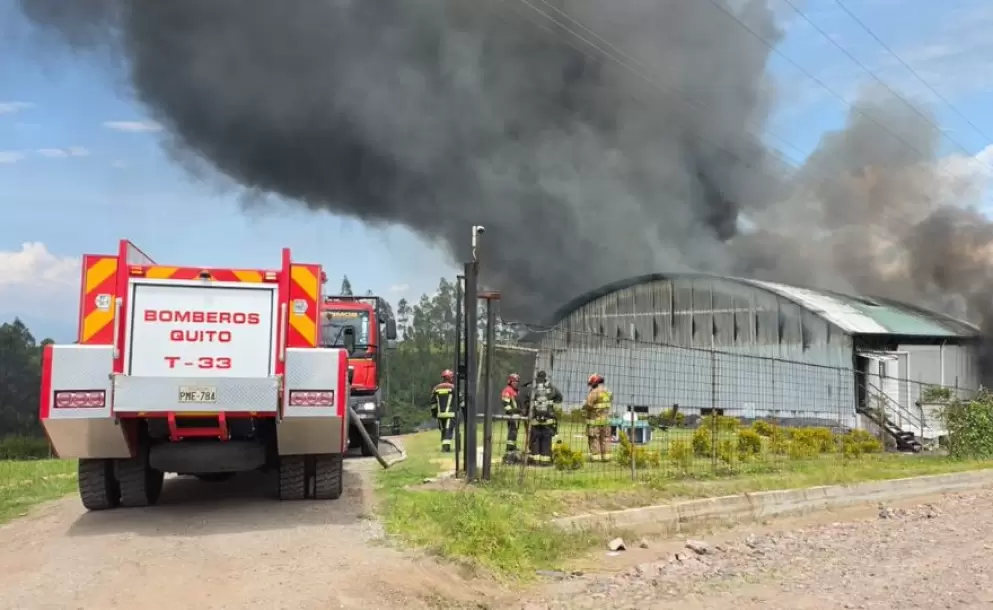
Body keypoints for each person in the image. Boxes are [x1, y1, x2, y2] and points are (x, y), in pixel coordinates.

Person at [528, 370, 563, 465]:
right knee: (546, 440)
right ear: (545, 378)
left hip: (535, 420)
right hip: (548, 419)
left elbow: (526, 399)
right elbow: (560, 398)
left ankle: (535, 460)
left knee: (535, 440)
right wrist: (551, 404)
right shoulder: (551, 387)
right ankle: (545, 461)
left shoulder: (532, 388)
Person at [583, 373, 613, 461]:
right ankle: (606, 457)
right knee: (605, 438)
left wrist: (584, 406)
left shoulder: (594, 392)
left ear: (594, 383)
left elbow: (588, 405)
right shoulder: (608, 392)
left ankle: (596, 457)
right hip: (606, 421)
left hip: (595, 421)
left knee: (594, 438)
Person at [430, 369, 456, 452]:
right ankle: (446, 448)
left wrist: (434, 414)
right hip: (450, 414)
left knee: (443, 430)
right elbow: (461, 400)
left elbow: (433, 403)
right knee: (448, 430)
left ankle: (444, 446)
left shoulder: (436, 388)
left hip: (440, 415)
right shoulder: (453, 387)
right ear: (450, 378)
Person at [501, 373, 521, 455]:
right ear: (510, 382)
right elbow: (505, 403)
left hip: (517, 415)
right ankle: (509, 449)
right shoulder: (507, 390)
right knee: (512, 431)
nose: (516, 383)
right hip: (511, 415)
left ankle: (513, 447)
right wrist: (512, 411)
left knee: (515, 431)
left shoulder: (517, 391)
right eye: (514, 381)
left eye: (517, 381)